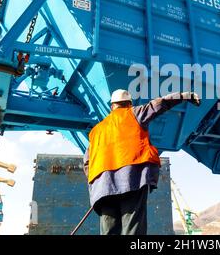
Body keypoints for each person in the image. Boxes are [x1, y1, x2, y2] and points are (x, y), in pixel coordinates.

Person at [83, 90, 201, 235]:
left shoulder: (96, 131)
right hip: (132, 179)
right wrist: (184, 96)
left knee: (108, 231)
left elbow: (87, 162)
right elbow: (159, 104)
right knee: (132, 229)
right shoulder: (133, 114)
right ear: (129, 104)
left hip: (102, 188)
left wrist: (99, 183)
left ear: (112, 106)